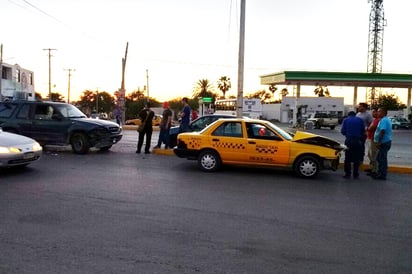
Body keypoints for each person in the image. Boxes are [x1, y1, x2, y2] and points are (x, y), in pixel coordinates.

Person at [341, 111, 365, 179]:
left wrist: (348, 135)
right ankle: (356, 174)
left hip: (349, 140)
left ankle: (347, 173)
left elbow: (342, 131)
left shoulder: (346, 120)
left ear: (348, 115)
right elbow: (363, 131)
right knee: (356, 158)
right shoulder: (360, 120)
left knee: (348, 157)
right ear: (355, 115)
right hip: (358, 141)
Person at [373, 107, 392, 180]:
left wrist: (379, 142)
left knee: (382, 159)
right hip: (385, 142)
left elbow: (382, 131)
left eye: (379, 111)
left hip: (383, 142)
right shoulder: (385, 119)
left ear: (384, 113)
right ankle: (380, 172)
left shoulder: (384, 120)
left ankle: (382, 175)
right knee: (379, 158)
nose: (377, 113)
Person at [365, 108, 380, 176]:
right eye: (372, 112)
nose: (372, 113)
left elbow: (372, 127)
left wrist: (367, 128)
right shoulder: (374, 120)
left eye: (374, 112)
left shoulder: (377, 120)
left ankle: (374, 170)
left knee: (373, 155)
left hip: (373, 139)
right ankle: (371, 167)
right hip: (370, 138)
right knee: (370, 154)